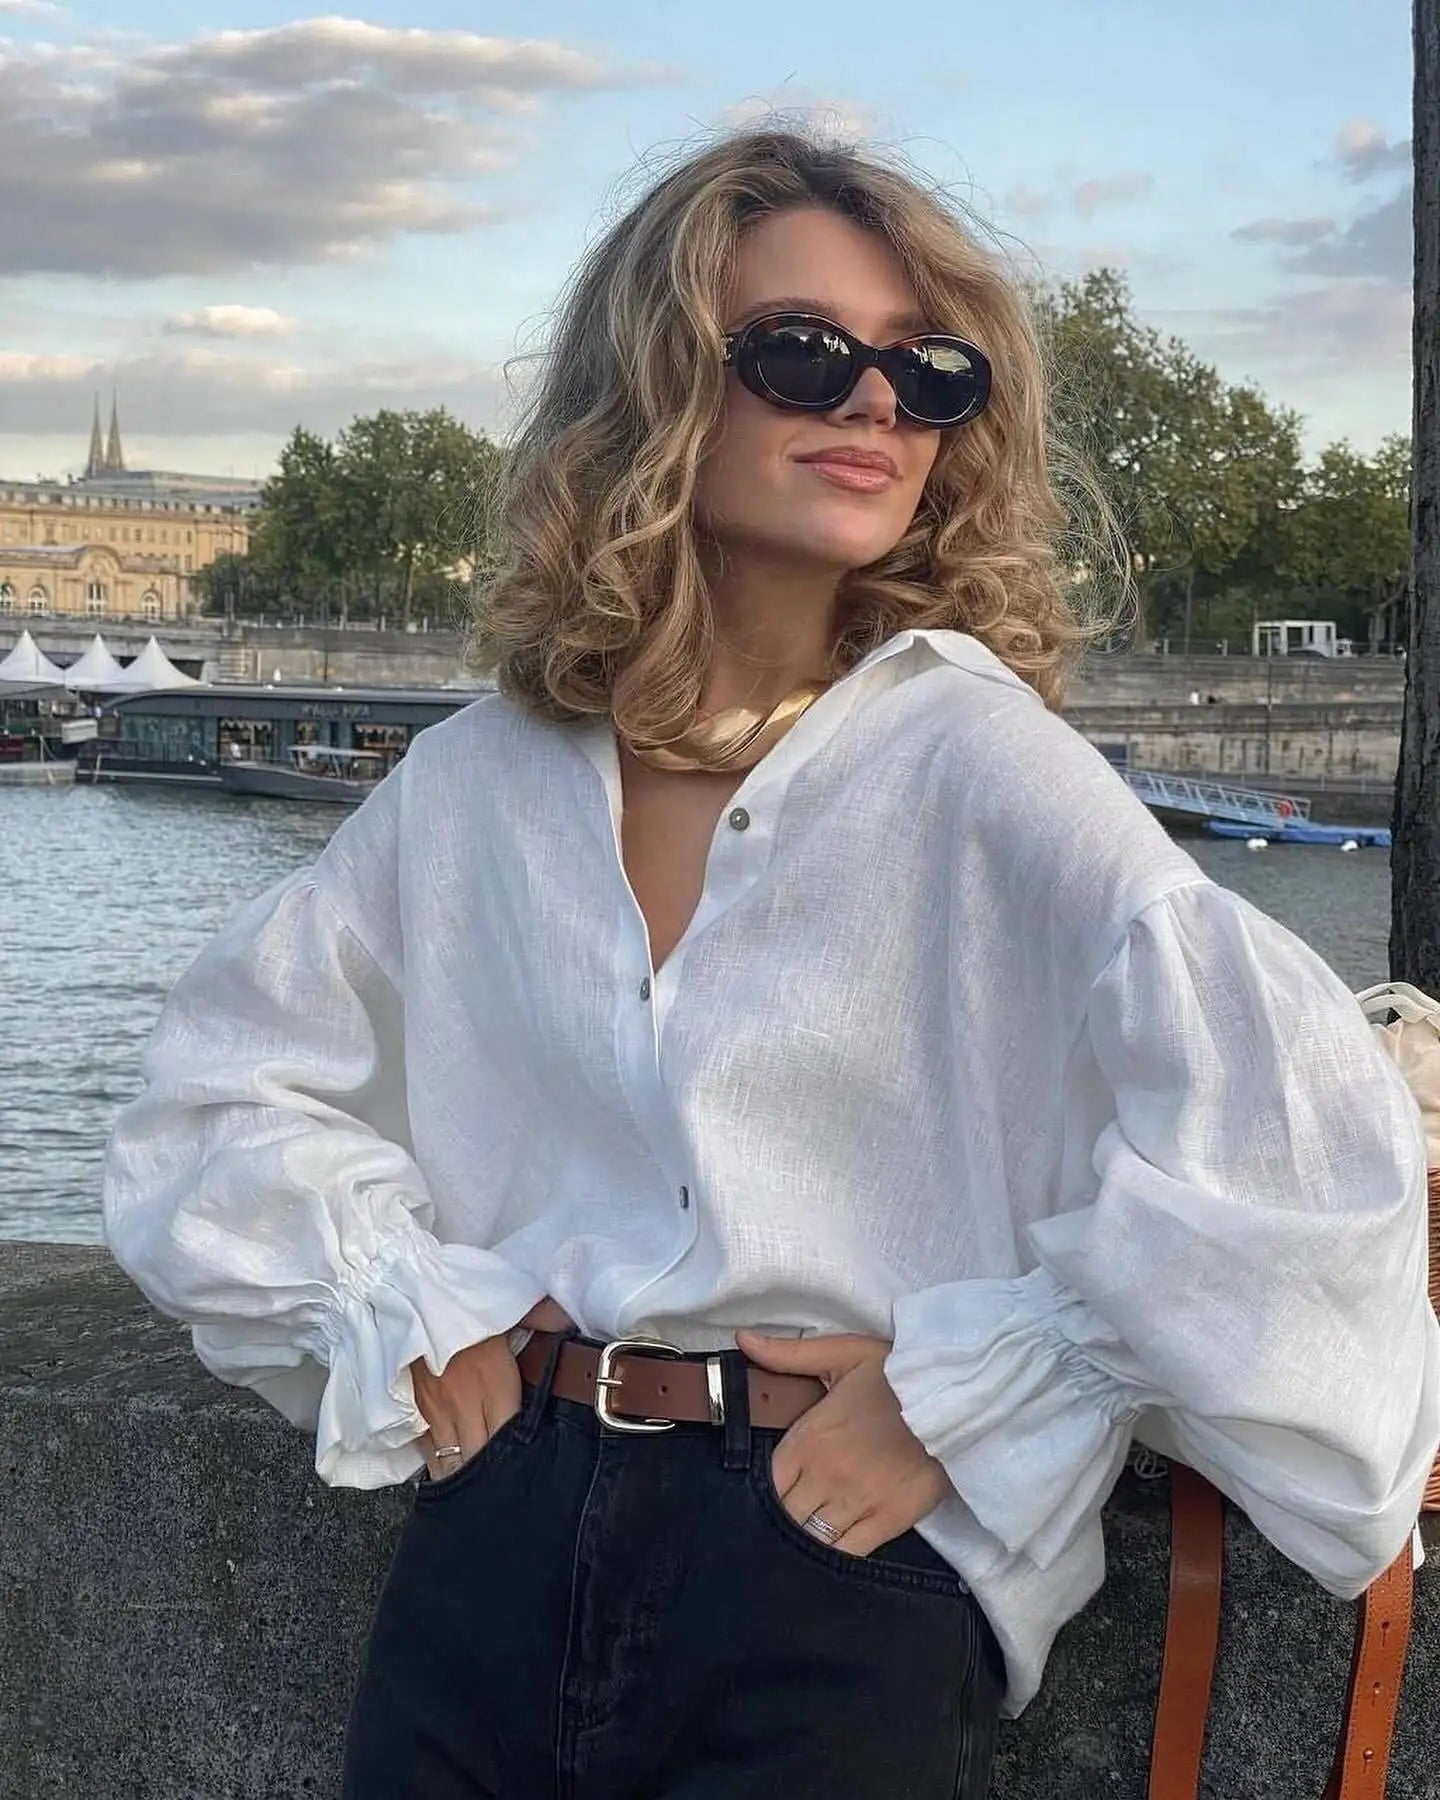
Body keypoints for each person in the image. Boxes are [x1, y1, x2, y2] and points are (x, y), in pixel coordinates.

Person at [101, 130, 1440, 1800]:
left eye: (927, 371)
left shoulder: (976, 762)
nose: (876, 404)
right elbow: (211, 1098)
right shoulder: (483, 779)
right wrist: (412, 1319)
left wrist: (975, 1388)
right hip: (496, 1530)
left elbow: (1309, 1148)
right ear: (657, 388)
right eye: (805, 352)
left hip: (832, 1551)